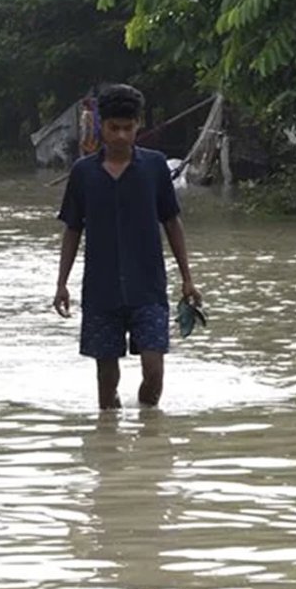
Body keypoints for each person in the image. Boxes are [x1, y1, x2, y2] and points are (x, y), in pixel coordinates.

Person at [53, 84, 202, 410]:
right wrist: (61, 283)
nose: (120, 135)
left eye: (127, 127)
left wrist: (187, 278)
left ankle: (150, 435)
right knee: (106, 385)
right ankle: (111, 445)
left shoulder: (154, 168)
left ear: (138, 126)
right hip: (101, 292)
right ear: (101, 127)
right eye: (113, 128)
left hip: (148, 289)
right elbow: (72, 229)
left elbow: (172, 222)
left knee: (154, 371)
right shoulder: (83, 173)